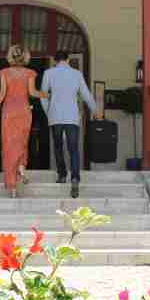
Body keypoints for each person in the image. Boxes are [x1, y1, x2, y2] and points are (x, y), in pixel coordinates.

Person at [0, 45, 49, 198]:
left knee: (9, 145)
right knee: (22, 142)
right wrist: (47, 94)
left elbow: (2, 94)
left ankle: (12, 187)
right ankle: (21, 166)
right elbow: (32, 93)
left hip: (9, 112)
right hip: (24, 111)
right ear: (25, 57)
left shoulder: (4, 73)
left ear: (11, 56)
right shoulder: (30, 73)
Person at [41, 51, 99, 198]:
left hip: (55, 117)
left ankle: (61, 175)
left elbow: (43, 96)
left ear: (55, 61)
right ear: (67, 60)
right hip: (72, 117)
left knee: (58, 147)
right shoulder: (77, 74)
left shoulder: (49, 73)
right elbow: (86, 94)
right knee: (73, 149)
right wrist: (95, 110)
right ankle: (74, 178)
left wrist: (48, 111)